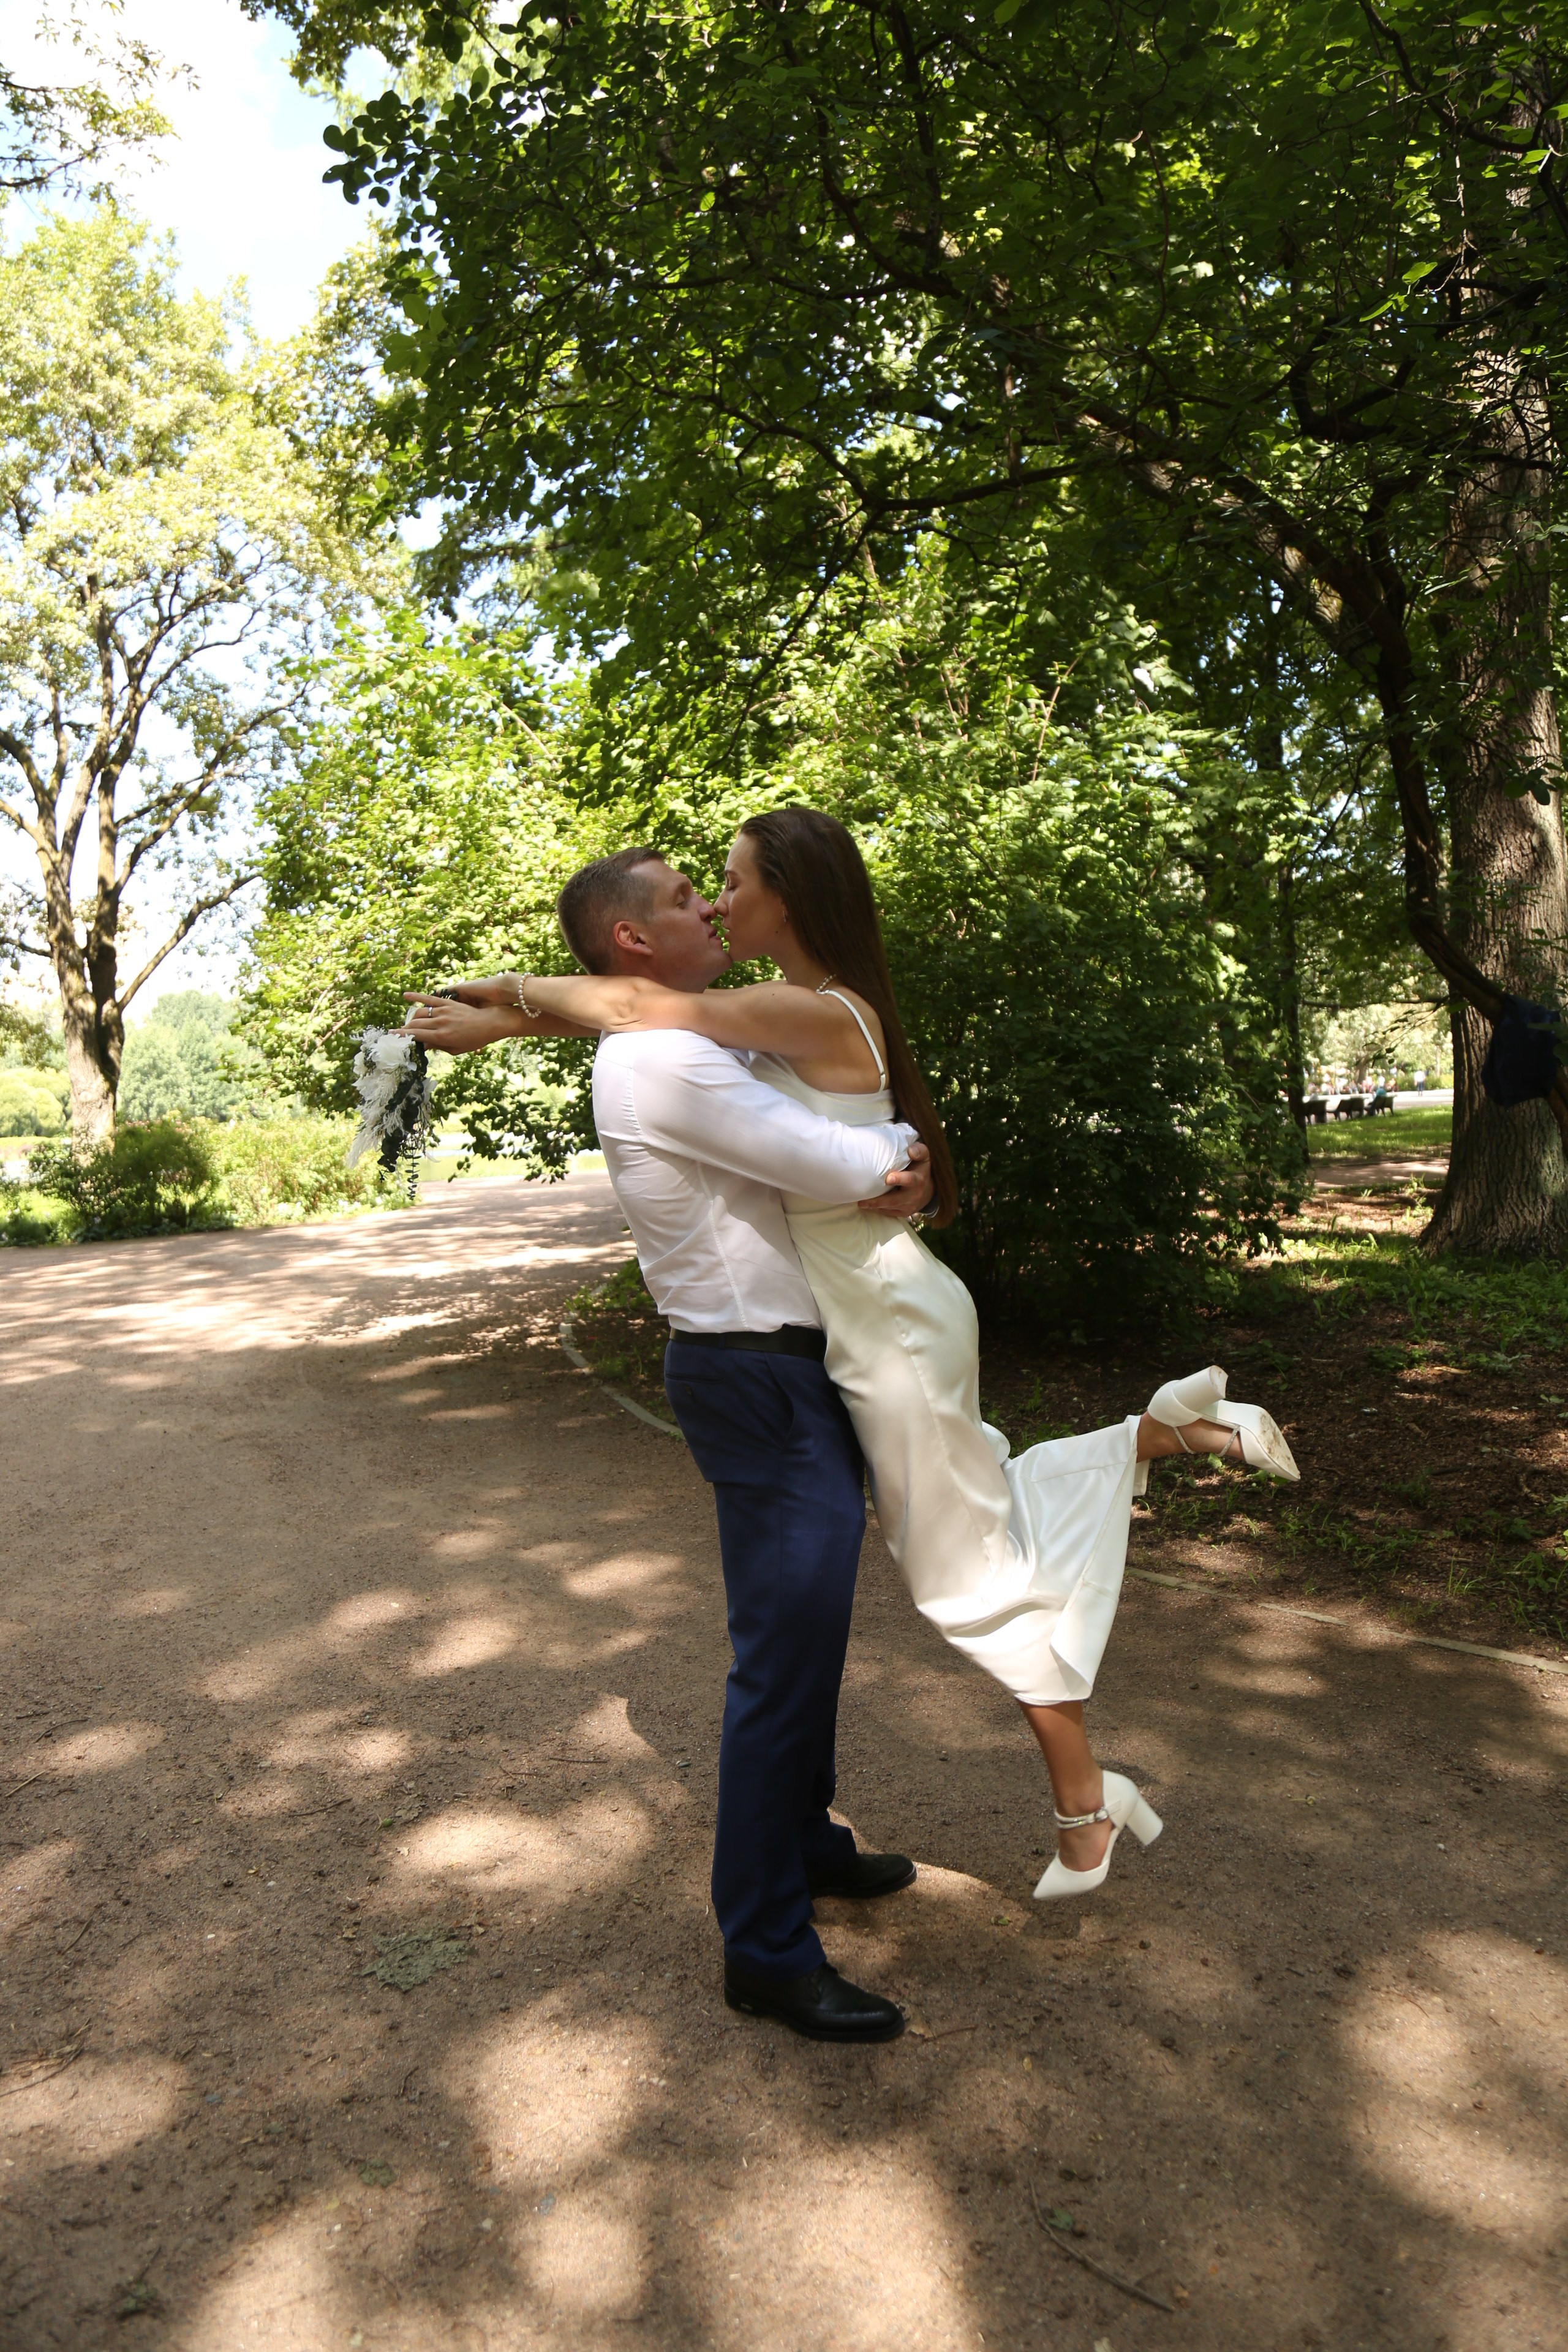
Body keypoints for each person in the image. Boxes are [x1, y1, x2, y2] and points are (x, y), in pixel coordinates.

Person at [404, 820, 1298, 1939]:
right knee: (871, 1602)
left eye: (724, 885)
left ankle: (1076, 1795)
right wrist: (899, 1164)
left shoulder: (769, 1017)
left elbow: (668, 1023)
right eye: (698, 893)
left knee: (948, 1568)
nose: (718, 905)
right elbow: (744, 1082)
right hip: (806, 1351)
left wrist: (502, 1003)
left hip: (863, 1329)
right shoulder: (702, 1038)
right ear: (639, 936)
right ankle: (786, 1930)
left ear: (789, 895)